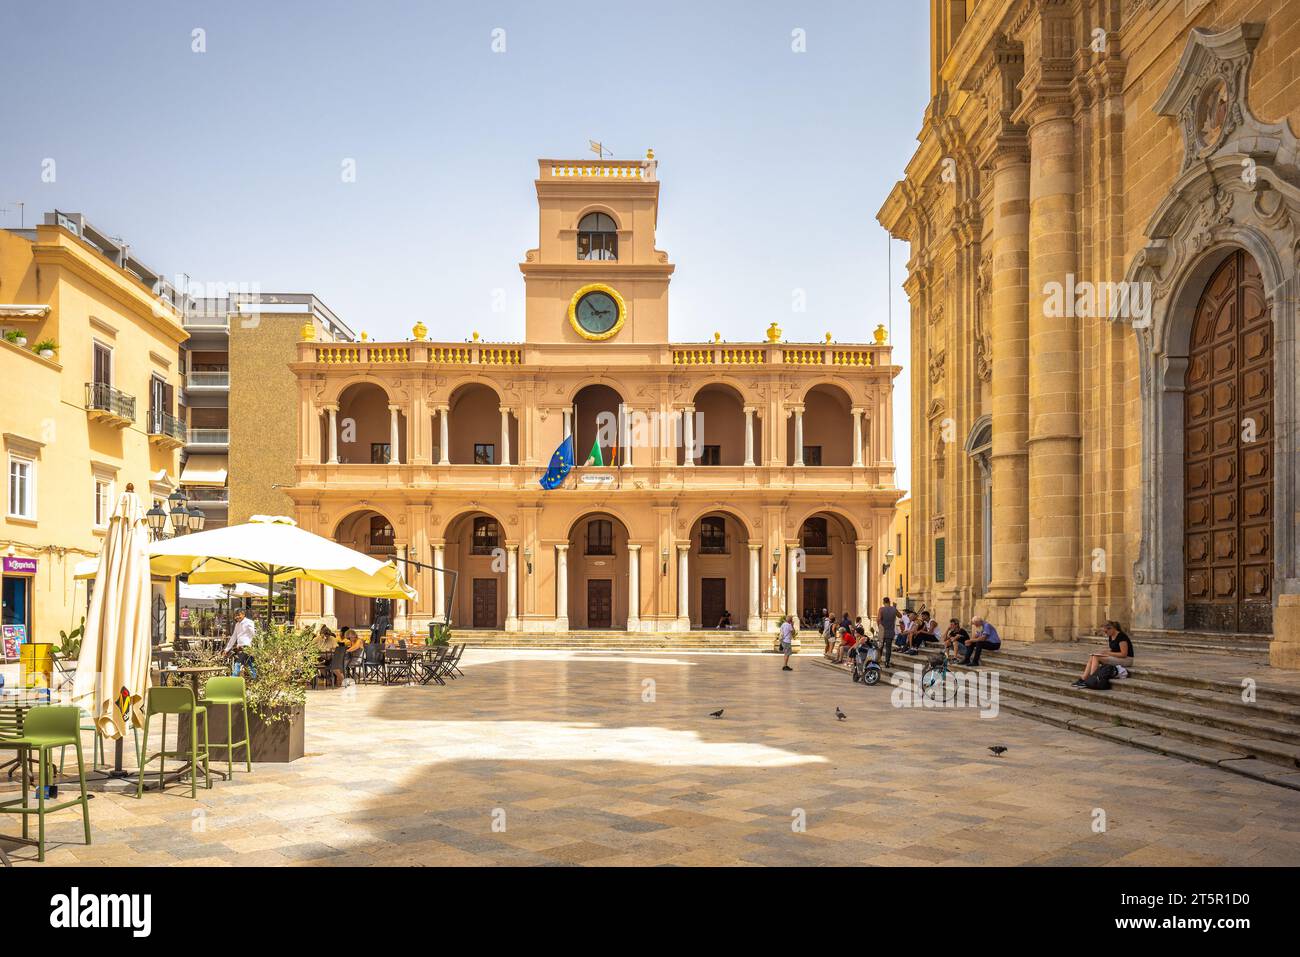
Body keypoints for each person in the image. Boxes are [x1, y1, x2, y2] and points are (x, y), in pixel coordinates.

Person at [1073, 621, 1134, 687]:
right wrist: (1103, 652)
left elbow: (1124, 654)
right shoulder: (1111, 636)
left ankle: (1092, 680)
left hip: (1127, 660)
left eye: (1106, 631)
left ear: (1112, 628)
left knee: (1096, 657)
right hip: (1118, 658)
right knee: (1093, 656)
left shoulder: (1122, 637)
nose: (1105, 634)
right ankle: (1083, 679)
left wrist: (1108, 653)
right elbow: (1114, 649)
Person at [223, 608, 257, 679]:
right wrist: (227, 649)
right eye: (235, 616)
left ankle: (233, 679)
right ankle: (255, 679)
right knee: (250, 665)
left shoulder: (249, 622)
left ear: (243, 614)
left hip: (247, 647)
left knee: (237, 664)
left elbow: (254, 634)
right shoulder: (237, 624)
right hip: (240, 647)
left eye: (239, 615)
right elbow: (233, 637)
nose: (237, 617)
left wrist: (255, 644)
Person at [876, 597, 898, 667]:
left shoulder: (881, 609)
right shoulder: (894, 609)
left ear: (883, 602)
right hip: (890, 631)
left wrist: (879, 627)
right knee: (888, 648)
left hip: (883, 631)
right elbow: (900, 616)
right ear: (889, 601)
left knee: (880, 647)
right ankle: (887, 663)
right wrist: (895, 608)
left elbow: (878, 619)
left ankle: (878, 661)